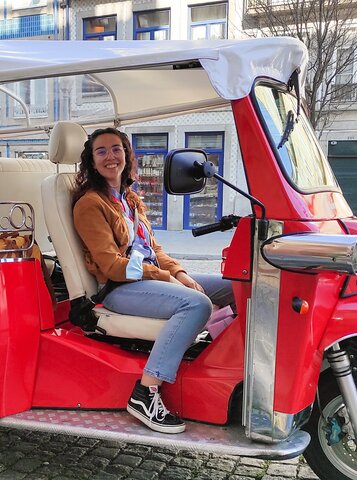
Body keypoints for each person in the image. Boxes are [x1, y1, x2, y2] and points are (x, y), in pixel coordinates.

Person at [72, 127, 233, 434]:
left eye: (116, 149)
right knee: (196, 304)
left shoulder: (128, 199)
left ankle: (221, 367)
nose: (110, 156)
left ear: (126, 155)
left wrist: (180, 273)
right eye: (101, 151)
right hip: (119, 289)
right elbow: (113, 266)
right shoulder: (90, 204)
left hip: (148, 279)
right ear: (92, 162)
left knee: (236, 288)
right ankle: (146, 393)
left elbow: (153, 249)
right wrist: (166, 277)